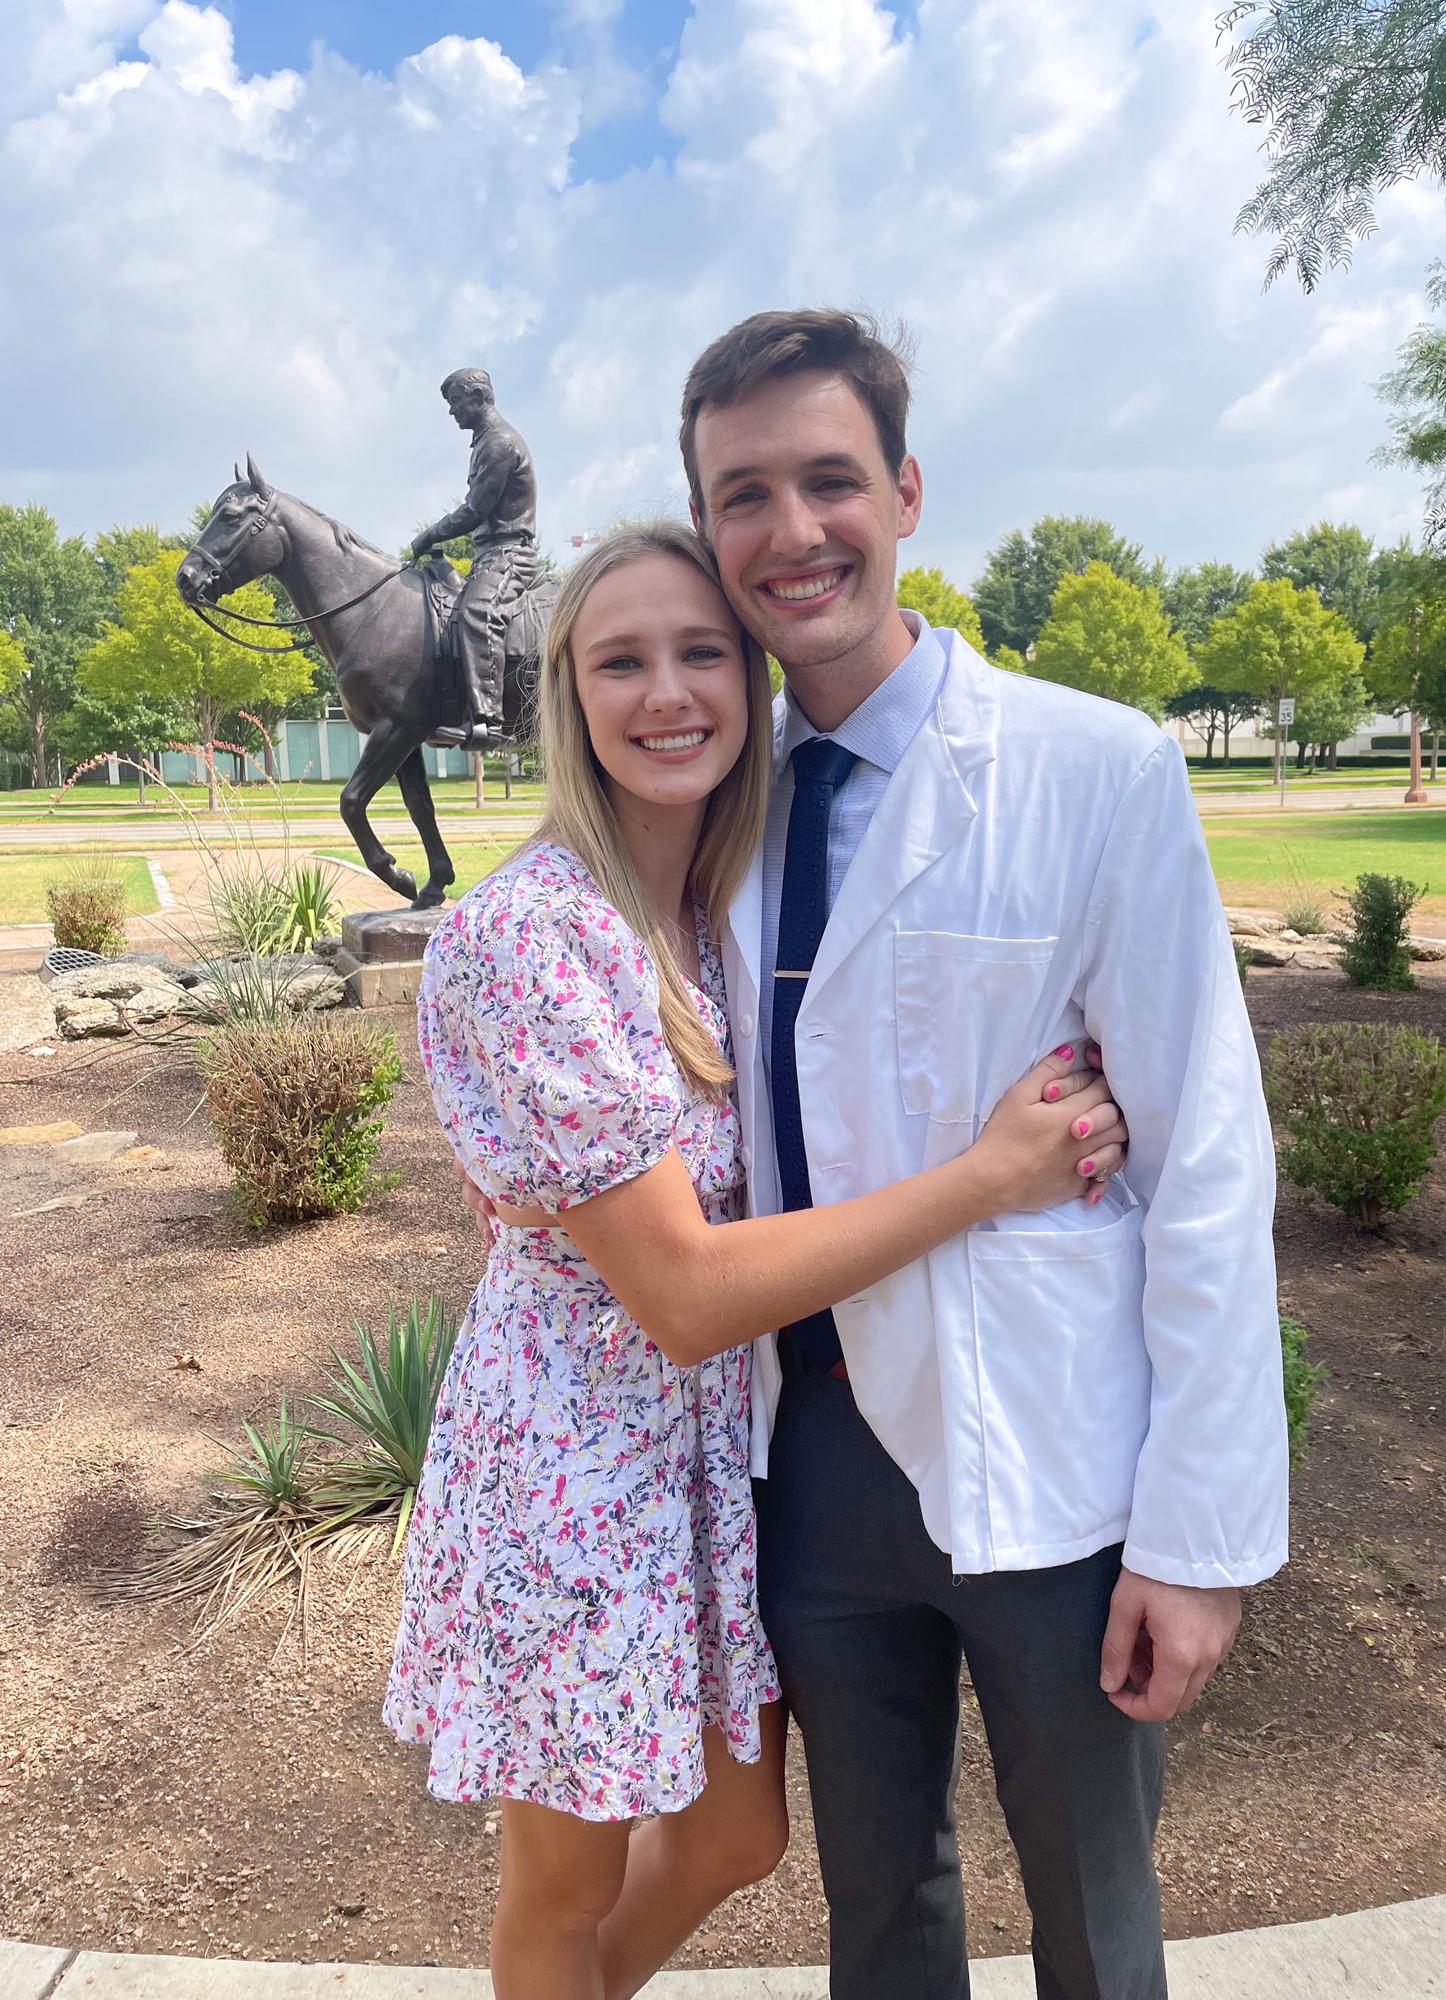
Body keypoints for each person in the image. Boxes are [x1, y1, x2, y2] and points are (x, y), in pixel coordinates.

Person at [385, 518, 1130, 2000]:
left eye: (700, 652)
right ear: (567, 696)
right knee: (564, 1874)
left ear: (753, 676)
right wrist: (991, 1174)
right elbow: (677, 1294)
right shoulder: (537, 932)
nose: (667, 693)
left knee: (735, 1834)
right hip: (573, 1463)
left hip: (710, 1460)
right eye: (621, 661)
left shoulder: (713, 909)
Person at [674, 309, 1290, 2000]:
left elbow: (1207, 1160)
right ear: (708, 527)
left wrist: (1195, 1540)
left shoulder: (1094, 768)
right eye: (744, 495)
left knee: (1096, 1914)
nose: (791, 533)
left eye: (827, 480)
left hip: (1054, 1465)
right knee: (878, 1916)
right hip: (806, 1469)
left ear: (907, 489)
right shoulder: (710, 804)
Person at [411, 367, 550, 739]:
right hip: (489, 555)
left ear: (478, 398)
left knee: (477, 613)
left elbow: (474, 510)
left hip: (509, 555)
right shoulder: (484, 441)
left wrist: (428, 535)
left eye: (455, 402)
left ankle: (488, 719)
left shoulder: (500, 442)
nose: (452, 411)